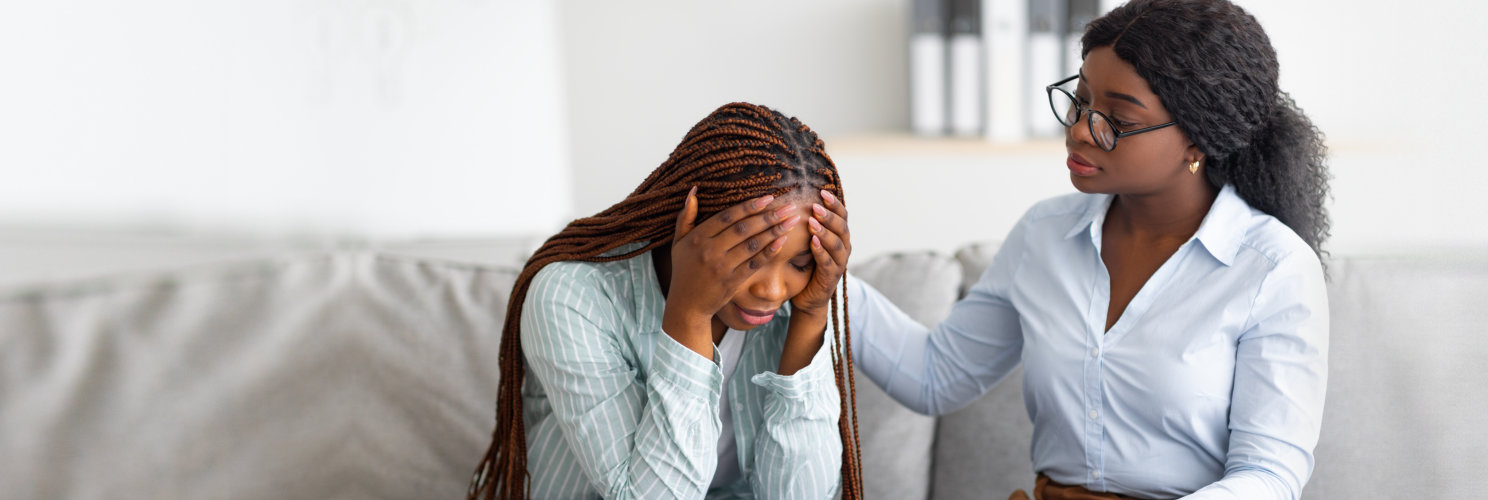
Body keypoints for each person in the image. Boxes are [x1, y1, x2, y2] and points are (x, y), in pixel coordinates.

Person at [845, 1, 1332, 498]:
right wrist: (826, 274)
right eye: (1080, 100)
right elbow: (936, 375)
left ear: (1197, 139)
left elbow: (1269, 476)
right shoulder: (1044, 234)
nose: (1079, 130)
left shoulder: (1273, 269)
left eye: (1116, 119)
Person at [469, 102, 864, 500]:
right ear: (689, 223)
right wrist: (689, 314)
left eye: (798, 263)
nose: (773, 291)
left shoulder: (802, 300)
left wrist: (811, 316)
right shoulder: (572, 297)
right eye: (750, 258)